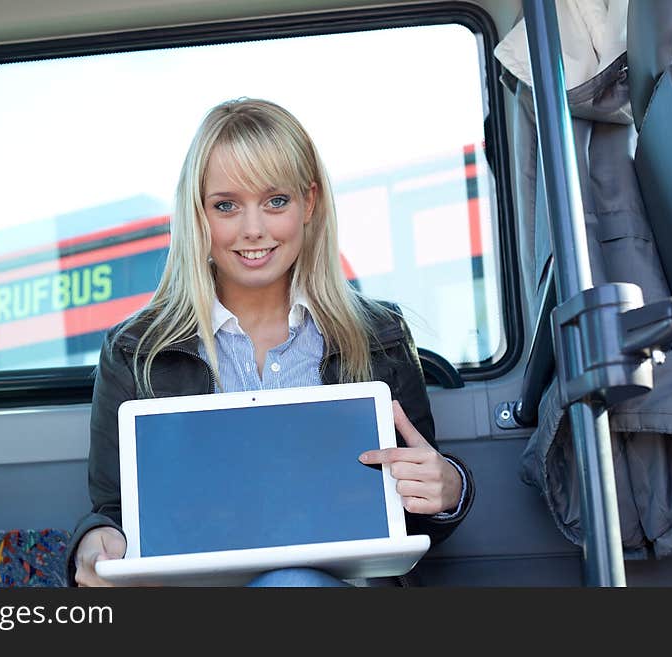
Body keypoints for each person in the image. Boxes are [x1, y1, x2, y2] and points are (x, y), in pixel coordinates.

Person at [66, 98, 475, 587]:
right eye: (226, 206)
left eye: (275, 201)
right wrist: (96, 542)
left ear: (310, 203)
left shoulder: (379, 336)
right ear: (198, 215)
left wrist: (450, 487)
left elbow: (414, 505)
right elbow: (114, 510)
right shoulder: (135, 350)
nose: (253, 229)